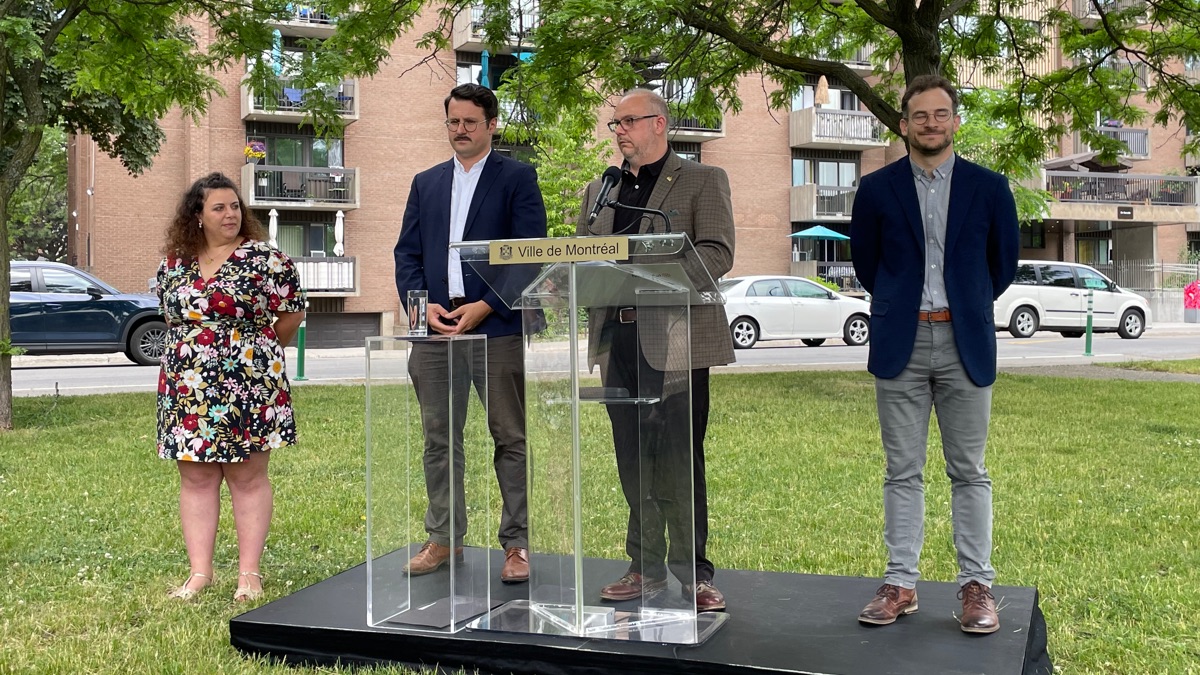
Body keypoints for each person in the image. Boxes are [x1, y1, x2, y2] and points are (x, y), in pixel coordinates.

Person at [849, 75, 1019, 633]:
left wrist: (962, 306)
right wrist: (906, 306)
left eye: (940, 114)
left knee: (969, 471)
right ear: (903, 124)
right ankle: (901, 583)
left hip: (964, 341)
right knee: (902, 471)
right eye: (920, 115)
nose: (931, 123)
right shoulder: (876, 189)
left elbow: (1003, 267)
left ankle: (977, 587)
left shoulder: (990, 188)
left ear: (955, 121)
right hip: (900, 340)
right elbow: (868, 267)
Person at [576, 88, 736, 612]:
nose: (617, 130)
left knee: (677, 460)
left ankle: (694, 575)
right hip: (615, 341)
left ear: (659, 124)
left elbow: (717, 252)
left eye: (626, 121)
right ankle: (644, 567)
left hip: (675, 341)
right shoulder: (601, 188)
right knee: (632, 459)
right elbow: (581, 256)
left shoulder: (702, 180)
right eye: (614, 123)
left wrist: (652, 279)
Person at [393, 83, 547, 583]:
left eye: (470, 123)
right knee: (439, 438)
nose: (460, 130)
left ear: (491, 125)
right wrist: (424, 307)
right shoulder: (426, 182)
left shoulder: (518, 178)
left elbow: (531, 252)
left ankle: (516, 546)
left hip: (495, 326)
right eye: (453, 122)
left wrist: (486, 305)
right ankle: (444, 537)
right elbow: (407, 255)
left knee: (509, 436)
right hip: (435, 328)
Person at [156, 172, 306, 602]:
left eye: (235, 206)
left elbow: (290, 317)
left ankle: (249, 575)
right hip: (187, 385)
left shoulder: (266, 260)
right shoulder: (173, 263)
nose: (230, 214)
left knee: (248, 476)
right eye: (218, 207)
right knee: (197, 477)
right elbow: (172, 319)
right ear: (197, 215)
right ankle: (200, 573)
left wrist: (250, 354)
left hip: (250, 383)